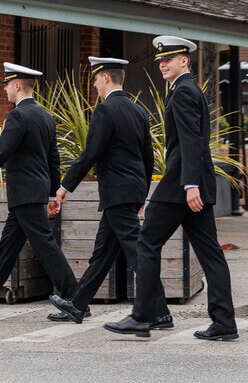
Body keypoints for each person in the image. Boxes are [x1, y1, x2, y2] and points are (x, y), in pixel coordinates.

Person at [103, 36, 238, 340]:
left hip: (182, 185)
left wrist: (190, 185)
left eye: (169, 59)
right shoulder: (186, 90)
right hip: (191, 184)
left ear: (184, 61)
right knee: (210, 254)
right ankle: (224, 323)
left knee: (147, 243)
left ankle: (144, 316)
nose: (163, 64)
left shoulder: (184, 92)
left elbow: (191, 142)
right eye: (160, 60)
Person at [48, 57, 172, 329]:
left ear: (105, 78)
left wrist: (64, 186)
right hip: (128, 192)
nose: (93, 85)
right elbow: (147, 157)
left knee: (139, 253)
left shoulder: (105, 111)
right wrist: (141, 193)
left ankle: (161, 313)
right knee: (102, 253)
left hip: (116, 192)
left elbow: (90, 154)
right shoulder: (138, 111)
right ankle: (78, 305)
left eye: (94, 79)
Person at [0, 62, 78, 317]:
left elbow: (2, 152)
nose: (4, 90)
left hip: (25, 194)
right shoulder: (45, 116)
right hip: (31, 194)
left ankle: (75, 298)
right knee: (9, 246)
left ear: (16, 85)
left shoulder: (18, 116)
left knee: (45, 245)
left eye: (6, 85)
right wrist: (51, 193)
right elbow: (53, 158)